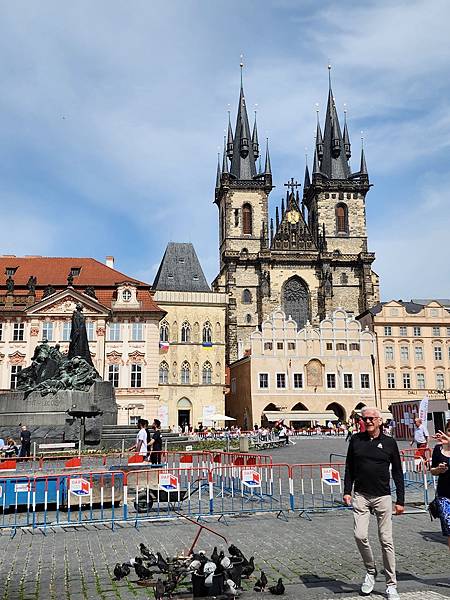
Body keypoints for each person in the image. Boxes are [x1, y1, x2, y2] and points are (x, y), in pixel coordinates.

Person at [344, 406, 404, 600]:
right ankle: (371, 571)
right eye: (365, 418)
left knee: (386, 540)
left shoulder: (389, 442)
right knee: (359, 535)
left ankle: (391, 584)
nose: (368, 421)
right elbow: (349, 467)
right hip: (361, 495)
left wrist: (400, 500)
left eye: (371, 418)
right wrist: (347, 491)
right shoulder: (356, 440)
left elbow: (397, 471)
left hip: (383, 497)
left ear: (380, 421)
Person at [430, 422, 450, 551]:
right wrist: (438, 469)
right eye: (449, 430)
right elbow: (432, 470)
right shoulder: (438, 449)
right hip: (444, 494)